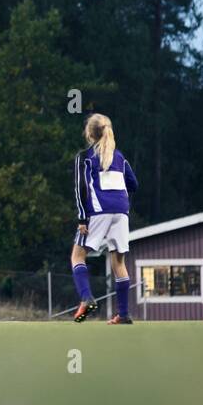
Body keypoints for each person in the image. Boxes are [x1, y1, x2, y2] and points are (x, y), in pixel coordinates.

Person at [71, 113, 139, 324]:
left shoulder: (85, 157)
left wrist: (82, 219)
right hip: (121, 211)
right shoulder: (120, 157)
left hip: (98, 211)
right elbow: (134, 184)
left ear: (89, 133)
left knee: (77, 256)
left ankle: (86, 298)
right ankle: (124, 314)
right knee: (118, 261)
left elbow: (80, 188)